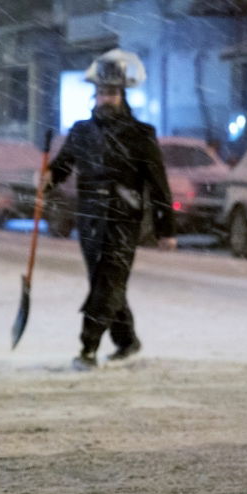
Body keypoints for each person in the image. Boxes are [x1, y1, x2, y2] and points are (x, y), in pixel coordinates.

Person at [45, 49, 177, 370]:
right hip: (89, 219)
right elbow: (60, 169)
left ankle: (87, 348)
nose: (106, 98)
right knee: (103, 282)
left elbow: (159, 186)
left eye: (112, 93)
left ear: (123, 95)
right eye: (102, 93)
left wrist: (166, 229)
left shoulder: (140, 136)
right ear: (96, 94)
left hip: (124, 218)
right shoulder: (81, 132)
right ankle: (127, 340)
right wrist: (46, 177)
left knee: (108, 283)